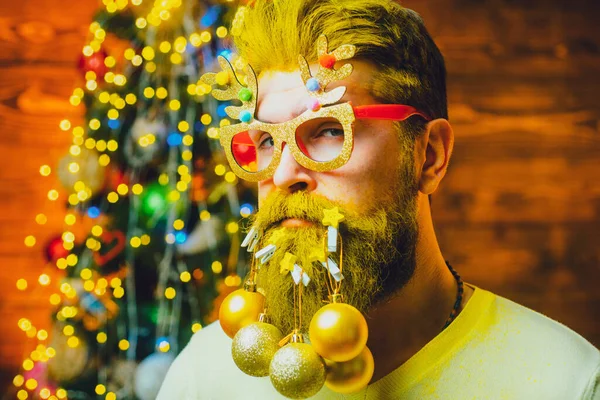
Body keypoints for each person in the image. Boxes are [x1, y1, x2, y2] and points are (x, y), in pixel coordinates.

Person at [158, 1, 600, 398]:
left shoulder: (564, 381)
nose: (285, 174)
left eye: (330, 130)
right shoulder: (204, 375)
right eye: (266, 142)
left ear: (428, 156)